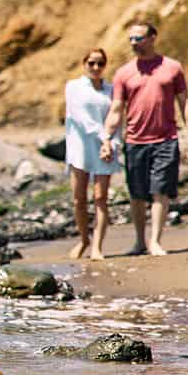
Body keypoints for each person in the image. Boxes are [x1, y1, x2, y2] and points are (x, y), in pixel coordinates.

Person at [100, 22, 188, 256]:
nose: (134, 43)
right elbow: (116, 109)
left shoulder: (172, 68)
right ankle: (139, 241)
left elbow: (185, 102)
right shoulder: (123, 73)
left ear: (153, 38)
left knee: (160, 190)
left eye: (139, 38)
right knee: (137, 194)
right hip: (134, 140)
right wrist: (106, 139)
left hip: (166, 138)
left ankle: (155, 241)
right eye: (131, 39)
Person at [64, 49, 122, 260]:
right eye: (91, 63)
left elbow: (116, 118)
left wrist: (112, 143)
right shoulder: (73, 87)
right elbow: (81, 117)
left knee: (101, 197)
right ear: (84, 63)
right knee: (79, 199)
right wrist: (104, 138)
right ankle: (84, 239)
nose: (96, 68)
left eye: (100, 64)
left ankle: (97, 246)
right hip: (81, 147)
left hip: (105, 149)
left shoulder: (112, 89)